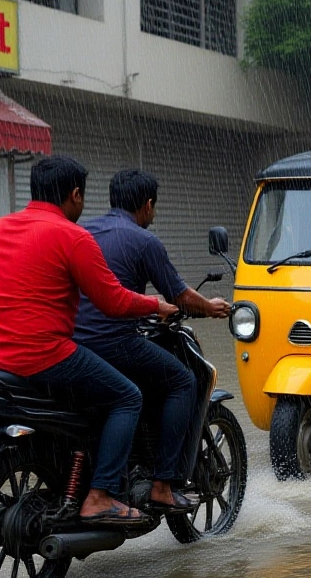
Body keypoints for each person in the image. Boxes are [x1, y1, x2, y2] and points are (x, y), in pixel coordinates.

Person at [0, 156, 178, 525]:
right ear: (75, 195)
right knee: (127, 396)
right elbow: (113, 301)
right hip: (44, 356)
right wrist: (155, 304)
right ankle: (100, 495)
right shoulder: (72, 236)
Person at [73, 169, 230, 512]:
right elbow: (182, 296)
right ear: (147, 205)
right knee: (182, 380)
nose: (154, 215)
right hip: (113, 342)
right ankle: (163, 484)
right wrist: (212, 307)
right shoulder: (145, 242)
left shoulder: (82, 233)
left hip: (71, 345)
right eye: (154, 208)